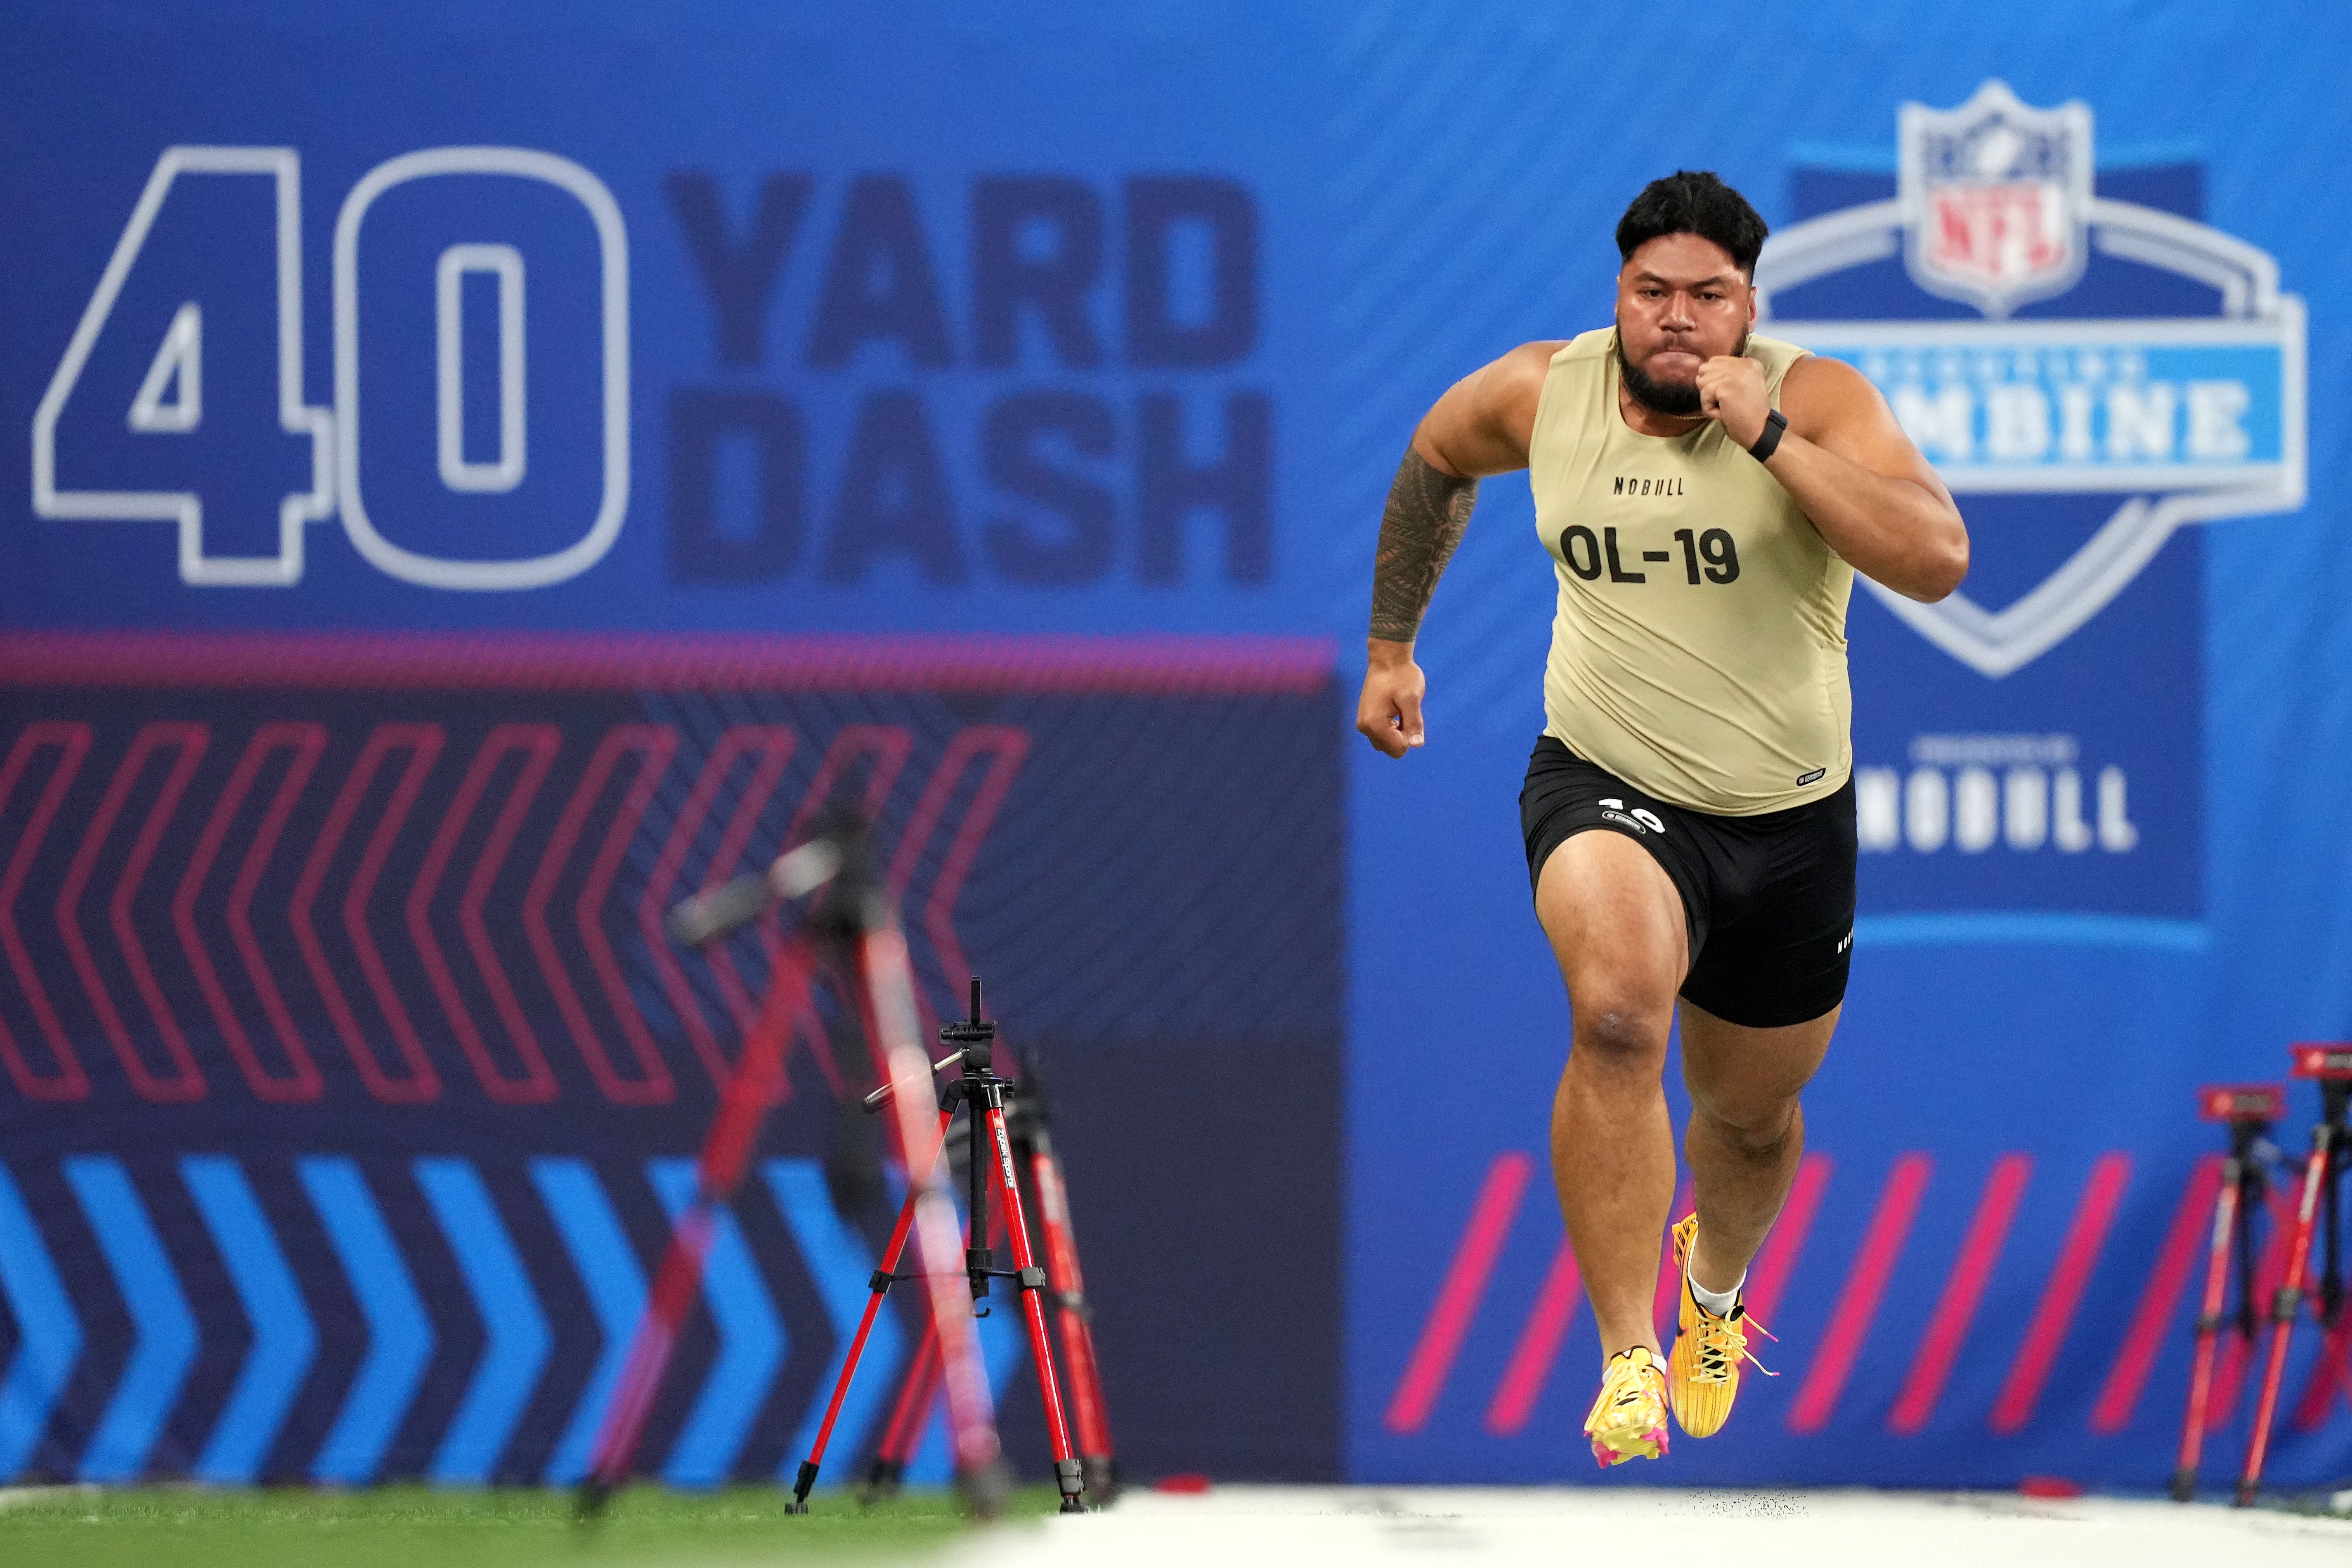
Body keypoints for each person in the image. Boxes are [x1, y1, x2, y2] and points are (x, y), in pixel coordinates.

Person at [1357, 170, 1967, 1466]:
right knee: (1620, 1011)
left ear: (1749, 307)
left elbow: (1934, 559)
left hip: (1786, 818)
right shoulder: (1543, 390)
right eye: (1652, 293)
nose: (1677, 320)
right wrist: (1391, 647)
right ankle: (1624, 1352)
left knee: (1747, 1119)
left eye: (1708, 296)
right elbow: (1431, 461)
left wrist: (1770, 441)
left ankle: (1712, 1298)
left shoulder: (1818, 398)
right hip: (1604, 778)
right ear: (1617, 296)